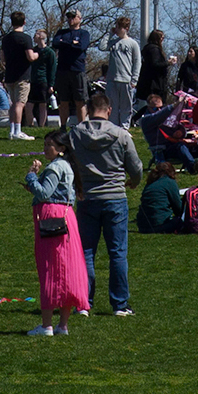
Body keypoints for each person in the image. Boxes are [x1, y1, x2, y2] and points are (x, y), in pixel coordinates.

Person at [66, 104, 140, 317]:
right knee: (117, 253)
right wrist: (134, 181)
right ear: (109, 109)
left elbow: (67, 162)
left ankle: (83, 302)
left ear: (88, 110)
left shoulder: (75, 134)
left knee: (86, 252)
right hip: (115, 197)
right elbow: (135, 166)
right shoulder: (120, 134)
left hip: (87, 197)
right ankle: (120, 304)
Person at [26, 137, 89, 336]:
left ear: (61, 148)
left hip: (51, 218)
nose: (45, 148)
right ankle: (63, 324)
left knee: (50, 270)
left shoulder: (55, 167)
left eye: (49, 145)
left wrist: (31, 177)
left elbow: (44, 193)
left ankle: (46, 325)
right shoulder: (67, 166)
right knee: (66, 270)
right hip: (66, 218)